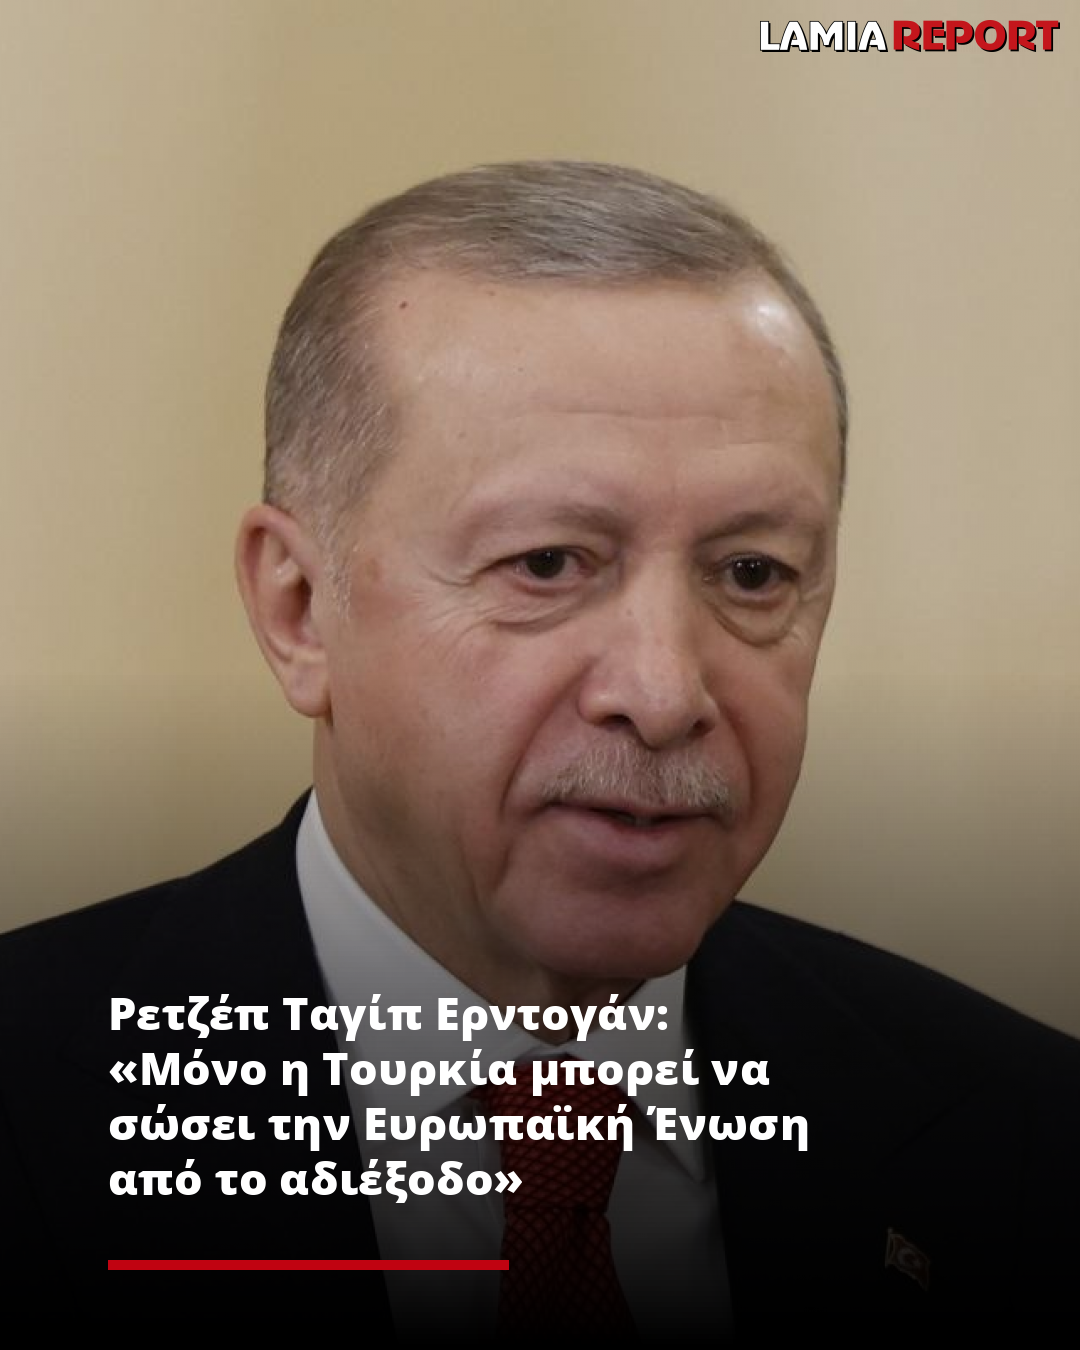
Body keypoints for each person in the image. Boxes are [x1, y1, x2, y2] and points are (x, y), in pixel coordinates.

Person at [1, 162, 1077, 1335]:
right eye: (549, 564)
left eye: (751, 573)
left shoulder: (1025, 1140)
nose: (664, 694)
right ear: (300, 610)